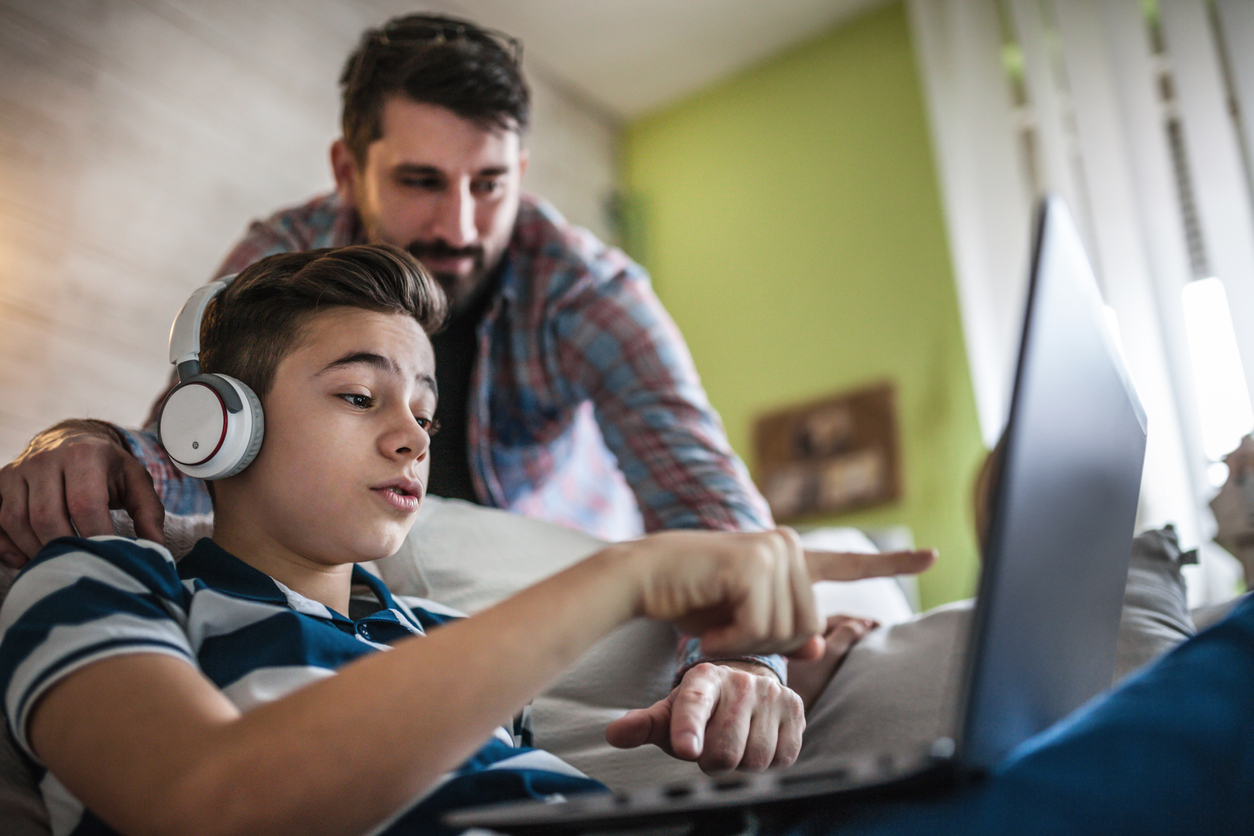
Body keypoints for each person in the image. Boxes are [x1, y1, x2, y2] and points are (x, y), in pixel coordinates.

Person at [0, 11, 818, 774]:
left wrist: (740, 656)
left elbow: (705, 497)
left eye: (490, 185)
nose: (459, 226)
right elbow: (203, 439)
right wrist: (82, 446)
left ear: (522, 172)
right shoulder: (281, 257)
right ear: (348, 169)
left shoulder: (588, 290)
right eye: (422, 180)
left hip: (530, 561)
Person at [0, 245, 931, 836]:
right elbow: (199, 801)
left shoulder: (442, 637)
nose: (412, 437)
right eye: (360, 397)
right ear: (216, 426)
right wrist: (624, 574)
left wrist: (798, 669)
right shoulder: (104, 581)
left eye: (425, 411)